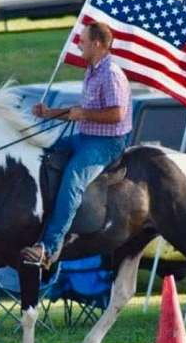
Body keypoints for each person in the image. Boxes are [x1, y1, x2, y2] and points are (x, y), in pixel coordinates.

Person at [21, 22, 132, 269]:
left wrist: (83, 114)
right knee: (43, 156)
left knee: (73, 178)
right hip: (84, 136)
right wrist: (49, 113)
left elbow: (117, 114)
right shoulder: (92, 71)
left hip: (107, 143)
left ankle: (48, 248)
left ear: (97, 44)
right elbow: (80, 112)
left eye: (82, 40)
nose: (79, 44)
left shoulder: (111, 74)